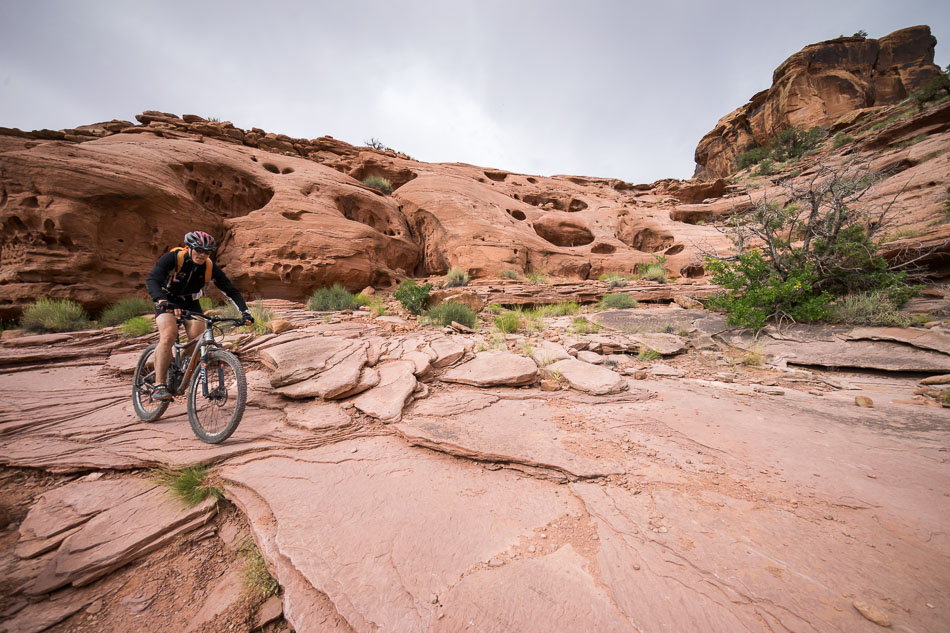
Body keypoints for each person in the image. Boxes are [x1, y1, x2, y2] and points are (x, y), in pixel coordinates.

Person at [145, 231, 253, 401]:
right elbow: (152, 280)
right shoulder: (172, 258)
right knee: (169, 335)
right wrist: (161, 300)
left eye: (207, 252)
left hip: (190, 303)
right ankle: (159, 385)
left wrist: (245, 311)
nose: (202, 255)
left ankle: (173, 367)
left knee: (197, 340)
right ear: (188, 247)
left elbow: (230, 290)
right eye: (198, 250)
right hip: (166, 300)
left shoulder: (209, 267)